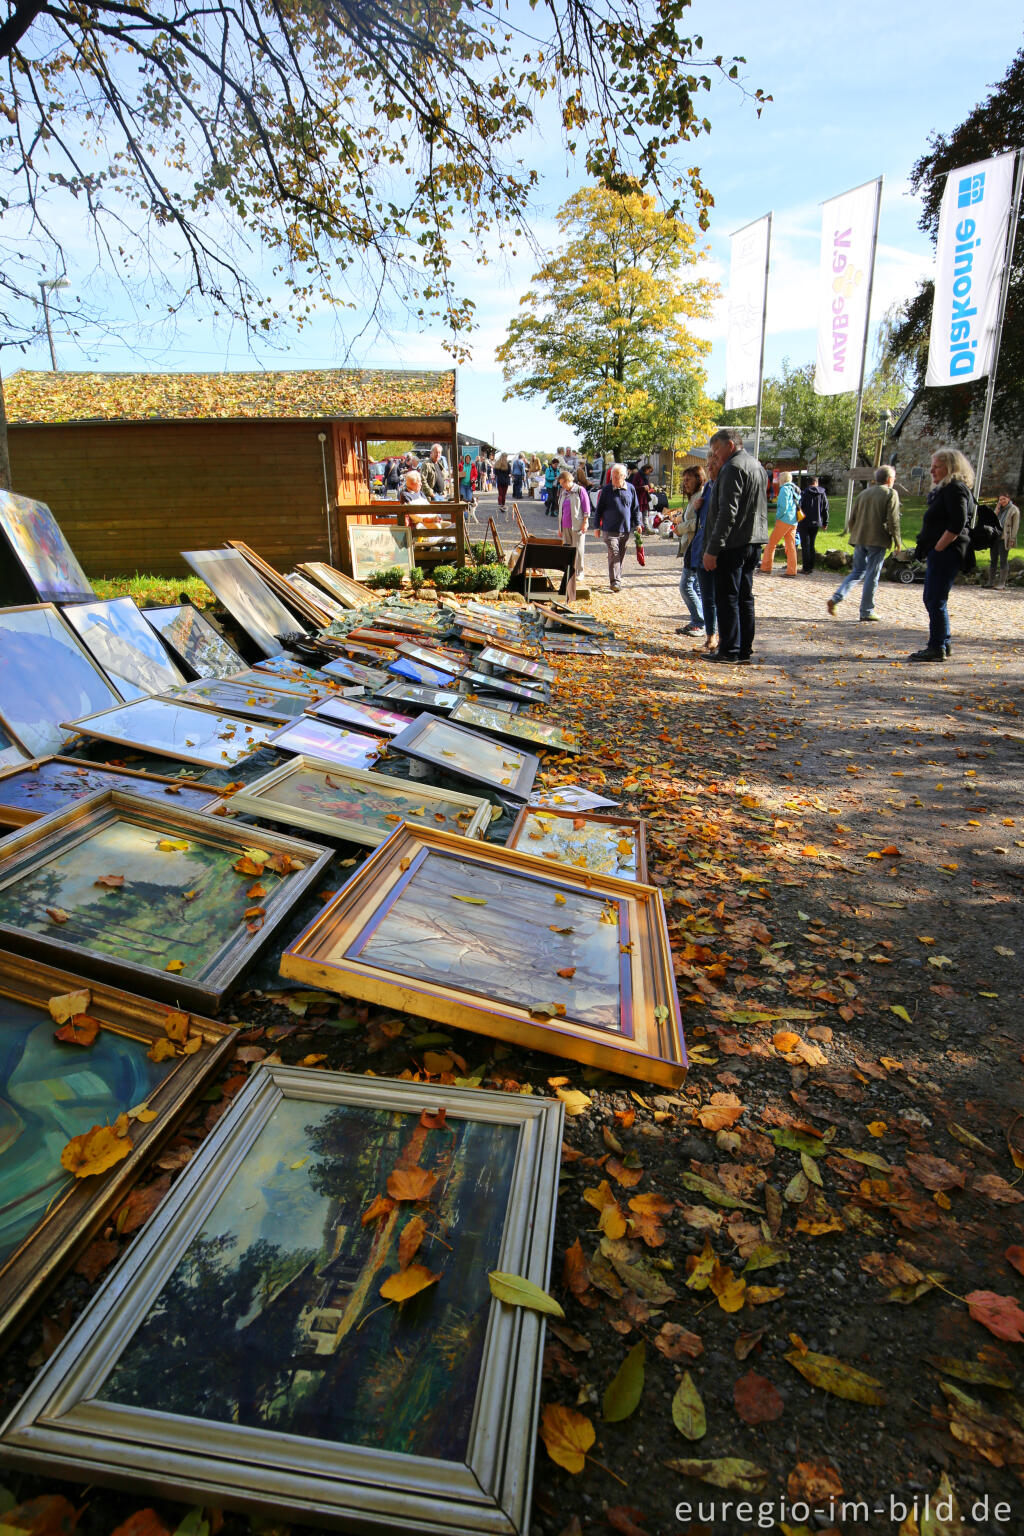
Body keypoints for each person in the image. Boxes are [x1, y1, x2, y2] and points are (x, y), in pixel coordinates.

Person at [702, 428, 769, 663]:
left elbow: (727, 513)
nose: (715, 456)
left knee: (728, 597)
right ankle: (743, 649)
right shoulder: (757, 466)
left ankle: (729, 649)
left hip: (733, 543)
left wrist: (712, 549)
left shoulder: (733, 468)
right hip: (753, 540)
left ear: (730, 445)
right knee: (744, 597)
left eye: (716, 450)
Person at [908, 448, 974, 662]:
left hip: (947, 553)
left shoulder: (955, 489)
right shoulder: (947, 489)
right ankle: (943, 642)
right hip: (941, 552)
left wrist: (938, 547)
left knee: (934, 599)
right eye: (932, 466)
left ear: (951, 467)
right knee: (934, 598)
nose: (931, 470)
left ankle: (937, 646)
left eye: (936, 466)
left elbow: (958, 522)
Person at [826, 466, 900, 623]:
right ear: (889, 479)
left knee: (857, 571)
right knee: (872, 575)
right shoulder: (890, 493)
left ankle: (836, 597)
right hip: (877, 540)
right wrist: (897, 541)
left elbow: (852, 518)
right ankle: (866, 610)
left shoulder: (864, 493)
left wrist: (855, 534)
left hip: (860, 538)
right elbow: (893, 520)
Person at [594, 463, 640, 592]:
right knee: (614, 553)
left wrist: (638, 524)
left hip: (625, 529)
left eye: (617, 476)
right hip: (609, 529)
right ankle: (615, 582)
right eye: (613, 476)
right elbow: (599, 510)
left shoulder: (630, 489)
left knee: (619, 555)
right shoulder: (606, 490)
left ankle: (617, 579)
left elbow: (635, 509)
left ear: (624, 476)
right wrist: (597, 526)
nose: (614, 478)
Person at [675, 465, 707, 639]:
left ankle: (699, 622)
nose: (685, 483)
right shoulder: (695, 497)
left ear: (698, 479)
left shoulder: (701, 496)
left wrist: (680, 527)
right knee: (696, 586)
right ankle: (702, 622)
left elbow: (700, 523)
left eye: (688, 480)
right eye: (684, 480)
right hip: (692, 545)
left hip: (696, 545)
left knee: (686, 585)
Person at [760, 470, 799, 576]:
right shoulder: (794, 489)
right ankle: (792, 571)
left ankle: (766, 567)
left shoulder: (784, 489)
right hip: (794, 521)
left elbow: (783, 507)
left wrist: (778, 517)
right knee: (791, 546)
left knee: (771, 544)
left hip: (784, 520)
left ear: (783, 479)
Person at [556, 467, 591, 581]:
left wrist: (585, 522)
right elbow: (561, 510)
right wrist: (559, 528)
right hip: (565, 525)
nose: (562, 486)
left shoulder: (580, 490)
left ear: (568, 481)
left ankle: (579, 571)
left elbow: (586, 508)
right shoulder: (563, 493)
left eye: (562, 483)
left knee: (578, 549)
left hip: (577, 524)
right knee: (568, 549)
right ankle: (570, 570)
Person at [798, 476, 829, 573]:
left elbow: (799, 506)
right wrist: (825, 522)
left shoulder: (803, 493)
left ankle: (806, 567)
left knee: (805, 545)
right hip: (816, 522)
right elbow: (825, 508)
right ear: (816, 483)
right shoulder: (822, 493)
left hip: (804, 522)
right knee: (811, 544)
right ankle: (811, 566)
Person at [990, 490, 1020, 588]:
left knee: (1003, 559)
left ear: (1008, 499)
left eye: (1004, 499)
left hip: (1005, 538)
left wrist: (1013, 538)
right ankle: (990, 582)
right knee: (993, 559)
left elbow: (1015, 526)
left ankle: (1001, 583)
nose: (1002, 501)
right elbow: (992, 519)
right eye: (1000, 499)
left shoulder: (1014, 509)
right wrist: (997, 508)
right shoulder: (999, 508)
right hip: (995, 537)